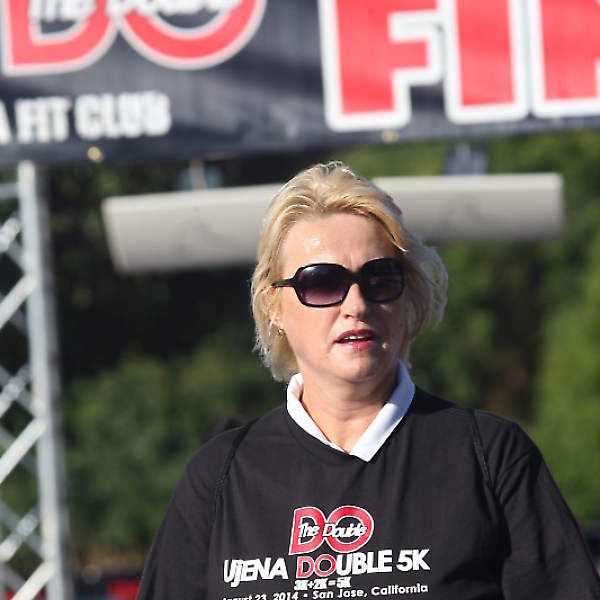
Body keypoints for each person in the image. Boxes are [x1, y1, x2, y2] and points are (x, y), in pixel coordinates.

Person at [136, 161, 600, 600]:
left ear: (407, 293)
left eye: (380, 278)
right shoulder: (218, 476)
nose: (356, 305)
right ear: (273, 305)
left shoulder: (491, 457)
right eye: (322, 282)